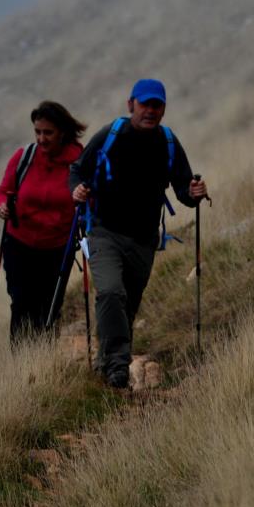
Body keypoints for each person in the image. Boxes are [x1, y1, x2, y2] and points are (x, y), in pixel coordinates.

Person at [69, 78, 207, 388]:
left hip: (144, 240)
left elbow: (184, 189)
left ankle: (105, 364)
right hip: (103, 232)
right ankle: (118, 369)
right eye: (145, 104)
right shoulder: (111, 135)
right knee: (110, 292)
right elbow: (77, 169)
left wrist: (194, 192)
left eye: (156, 105)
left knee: (126, 306)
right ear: (131, 104)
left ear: (163, 109)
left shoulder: (168, 142)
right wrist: (76, 190)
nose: (150, 110)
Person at [0, 101, 86, 342]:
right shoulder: (24, 157)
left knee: (49, 307)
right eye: (37, 132)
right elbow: (3, 191)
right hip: (18, 244)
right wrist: (2, 205)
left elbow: (91, 199)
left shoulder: (79, 162)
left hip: (58, 249)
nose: (41, 139)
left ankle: (45, 357)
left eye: (48, 133)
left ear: (62, 132)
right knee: (21, 302)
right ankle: (21, 360)